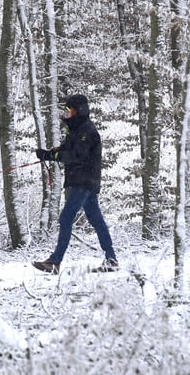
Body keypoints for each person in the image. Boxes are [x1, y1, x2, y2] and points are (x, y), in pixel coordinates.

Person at [32, 94, 119, 274]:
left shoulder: (88, 131)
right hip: (82, 181)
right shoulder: (77, 129)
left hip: (85, 180)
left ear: (78, 110)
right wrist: (49, 153)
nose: (66, 113)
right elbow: (67, 149)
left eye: (69, 110)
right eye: (66, 110)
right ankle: (111, 260)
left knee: (65, 217)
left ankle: (55, 262)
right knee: (96, 220)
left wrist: (55, 156)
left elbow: (77, 155)